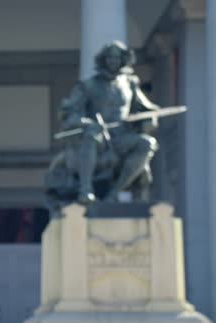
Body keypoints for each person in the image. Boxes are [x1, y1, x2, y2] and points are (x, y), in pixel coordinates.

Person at [58, 40, 160, 203]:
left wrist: (150, 119)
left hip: (122, 138)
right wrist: (88, 123)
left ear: (123, 60)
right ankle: (86, 189)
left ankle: (115, 191)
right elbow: (69, 115)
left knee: (147, 143)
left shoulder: (129, 84)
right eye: (110, 58)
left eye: (117, 58)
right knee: (91, 138)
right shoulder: (88, 85)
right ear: (103, 60)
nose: (113, 61)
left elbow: (147, 109)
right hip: (98, 137)